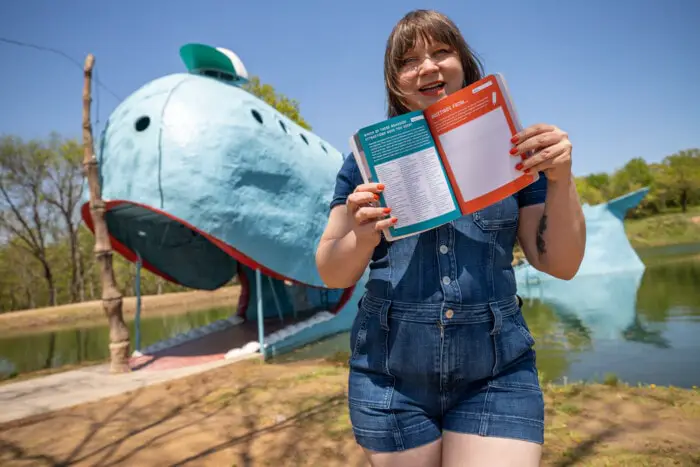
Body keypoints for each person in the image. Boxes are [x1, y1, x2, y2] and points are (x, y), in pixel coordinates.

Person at [315, 9, 586, 467]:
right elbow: (330, 270)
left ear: (464, 63)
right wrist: (362, 237)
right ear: (394, 79)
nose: (428, 67)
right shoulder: (361, 161)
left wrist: (561, 180)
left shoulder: (515, 148)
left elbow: (560, 263)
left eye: (441, 52)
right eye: (409, 60)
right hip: (389, 377)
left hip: (498, 373)